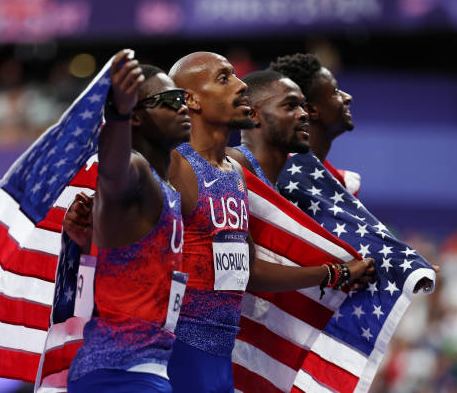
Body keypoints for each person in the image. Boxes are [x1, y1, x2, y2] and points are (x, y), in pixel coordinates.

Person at [166, 52, 375, 392]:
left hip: (223, 354)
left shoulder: (234, 173)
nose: (239, 86)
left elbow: (247, 271)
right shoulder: (177, 166)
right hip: (180, 348)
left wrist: (336, 273)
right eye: (224, 78)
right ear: (191, 99)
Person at [65, 50, 191, 393]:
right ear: (136, 117)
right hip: (121, 374)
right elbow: (114, 170)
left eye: (183, 98)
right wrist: (117, 116)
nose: (183, 107)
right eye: (168, 100)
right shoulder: (134, 168)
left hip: (141, 368)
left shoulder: (167, 189)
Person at [269, 53, 361, 195]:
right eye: (335, 92)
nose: (348, 97)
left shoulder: (343, 185)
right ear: (311, 110)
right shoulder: (271, 178)